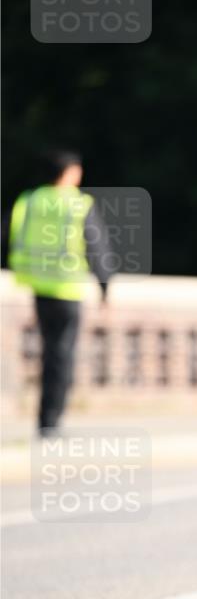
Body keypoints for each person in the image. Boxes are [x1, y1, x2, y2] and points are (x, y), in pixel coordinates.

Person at [8, 149, 113, 436]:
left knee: (48, 352)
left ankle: (45, 419)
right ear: (69, 173)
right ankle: (52, 422)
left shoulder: (29, 201)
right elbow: (97, 247)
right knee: (62, 355)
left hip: (38, 287)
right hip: (67, 290)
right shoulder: (77, 204)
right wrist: (104, 287)